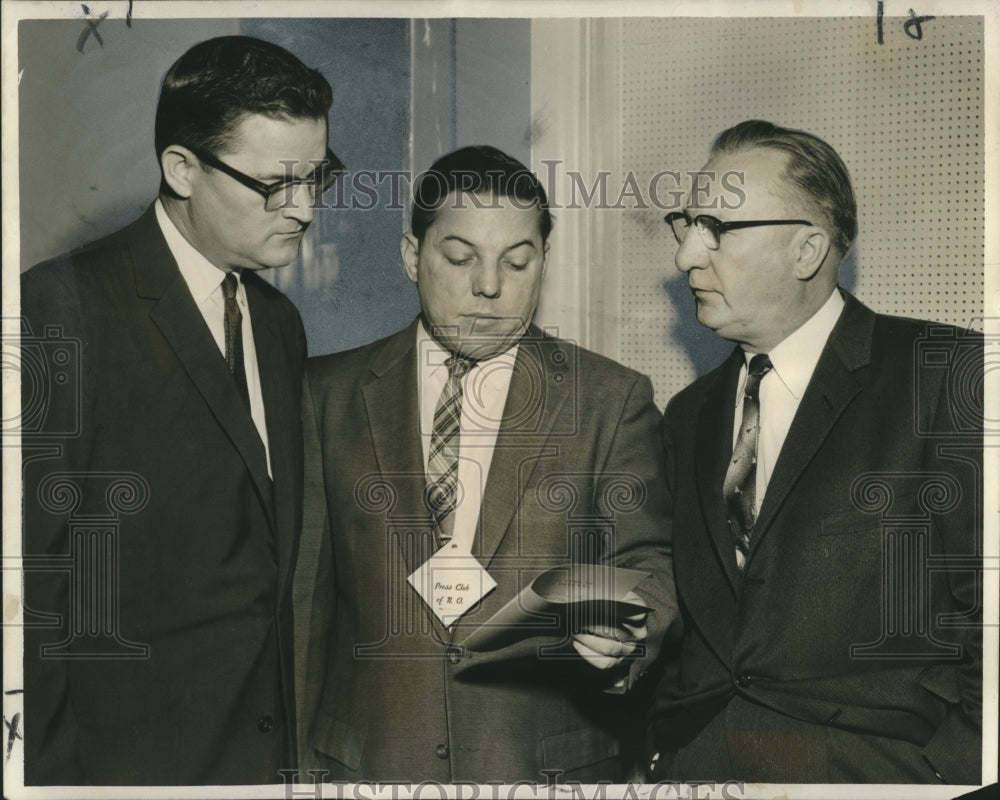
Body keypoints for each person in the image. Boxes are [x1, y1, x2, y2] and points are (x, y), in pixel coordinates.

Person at [295, 145, 679, 782]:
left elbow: (649, 566)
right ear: (412, 256)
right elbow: (301, 606)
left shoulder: (611, 400)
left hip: (544, 768)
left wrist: (628, 631)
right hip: (365, 770)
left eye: (517, 261)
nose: (490, 286)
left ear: (543, 263)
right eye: (460, 256)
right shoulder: (323, 394)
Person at [19, 35, 343, 785]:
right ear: (182, 169)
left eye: (317, 178)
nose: (304, 210)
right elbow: (32, 588)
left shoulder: (276, 321)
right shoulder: (57, 309)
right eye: (277, 183)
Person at [648, 120, 982, 784]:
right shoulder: (687, 416)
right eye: (684, 224)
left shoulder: (946, 376)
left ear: (807, 250)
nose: (686, 254)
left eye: (715, 227)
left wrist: (950, 779)